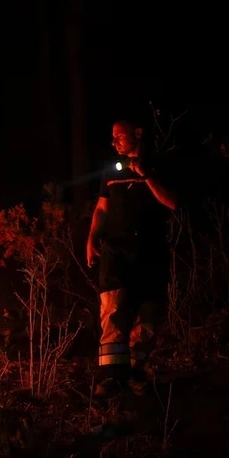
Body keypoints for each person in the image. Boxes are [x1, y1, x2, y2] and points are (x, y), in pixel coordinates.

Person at [86, 118, 179, 397]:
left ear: (138, 134)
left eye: (119, 136)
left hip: (151, 252)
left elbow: (172, 203)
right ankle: (110, 380)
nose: (114, 142)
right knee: (113, 311)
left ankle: (135, 373)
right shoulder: (111, 171)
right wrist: (91, 240)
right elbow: (102, 208)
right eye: (112, 137)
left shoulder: (159, 166)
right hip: (115, 252)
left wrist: (146, 174)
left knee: (149, 316)